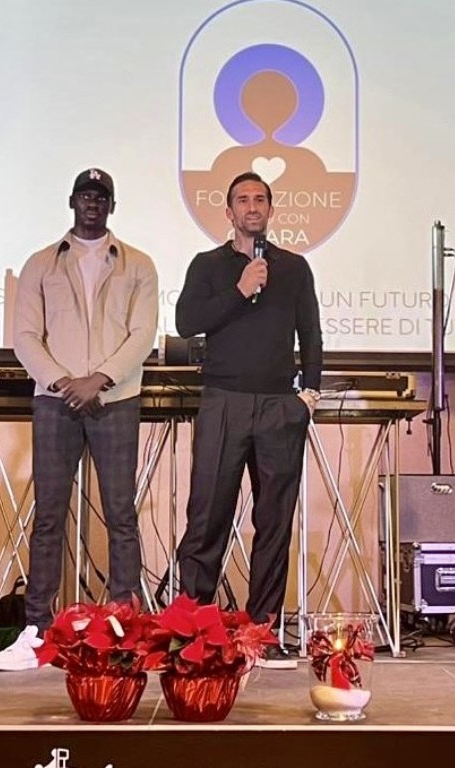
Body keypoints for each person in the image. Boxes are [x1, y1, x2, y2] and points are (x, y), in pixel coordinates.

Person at [0, 168, 158, 671]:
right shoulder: (41, 263)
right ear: (71, 201)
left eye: (101, 197)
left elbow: (143, 334)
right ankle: (37, 630)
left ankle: (125, 626)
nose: (92, 203)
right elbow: (25, 336)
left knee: (121, 514)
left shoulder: (138, 264)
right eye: (85, 195)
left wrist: (99, 379)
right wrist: (65, 382)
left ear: (112, 206)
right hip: (55, 401)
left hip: (116, 400)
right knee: (48, 514)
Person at [174, 171, 323, 669]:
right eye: (243, 200)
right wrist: (240, 290)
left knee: (274, 522)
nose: (252, 207)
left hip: (279, 405)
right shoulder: (208, 265)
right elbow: (186, 322)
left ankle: (263, 632)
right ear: (229, 211)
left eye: (260, 199)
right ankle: (194, 630)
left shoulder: (294, 268)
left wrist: (309, 394)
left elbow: (311, 334)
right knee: (207, 518)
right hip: (224, 401)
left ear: (271, 210)